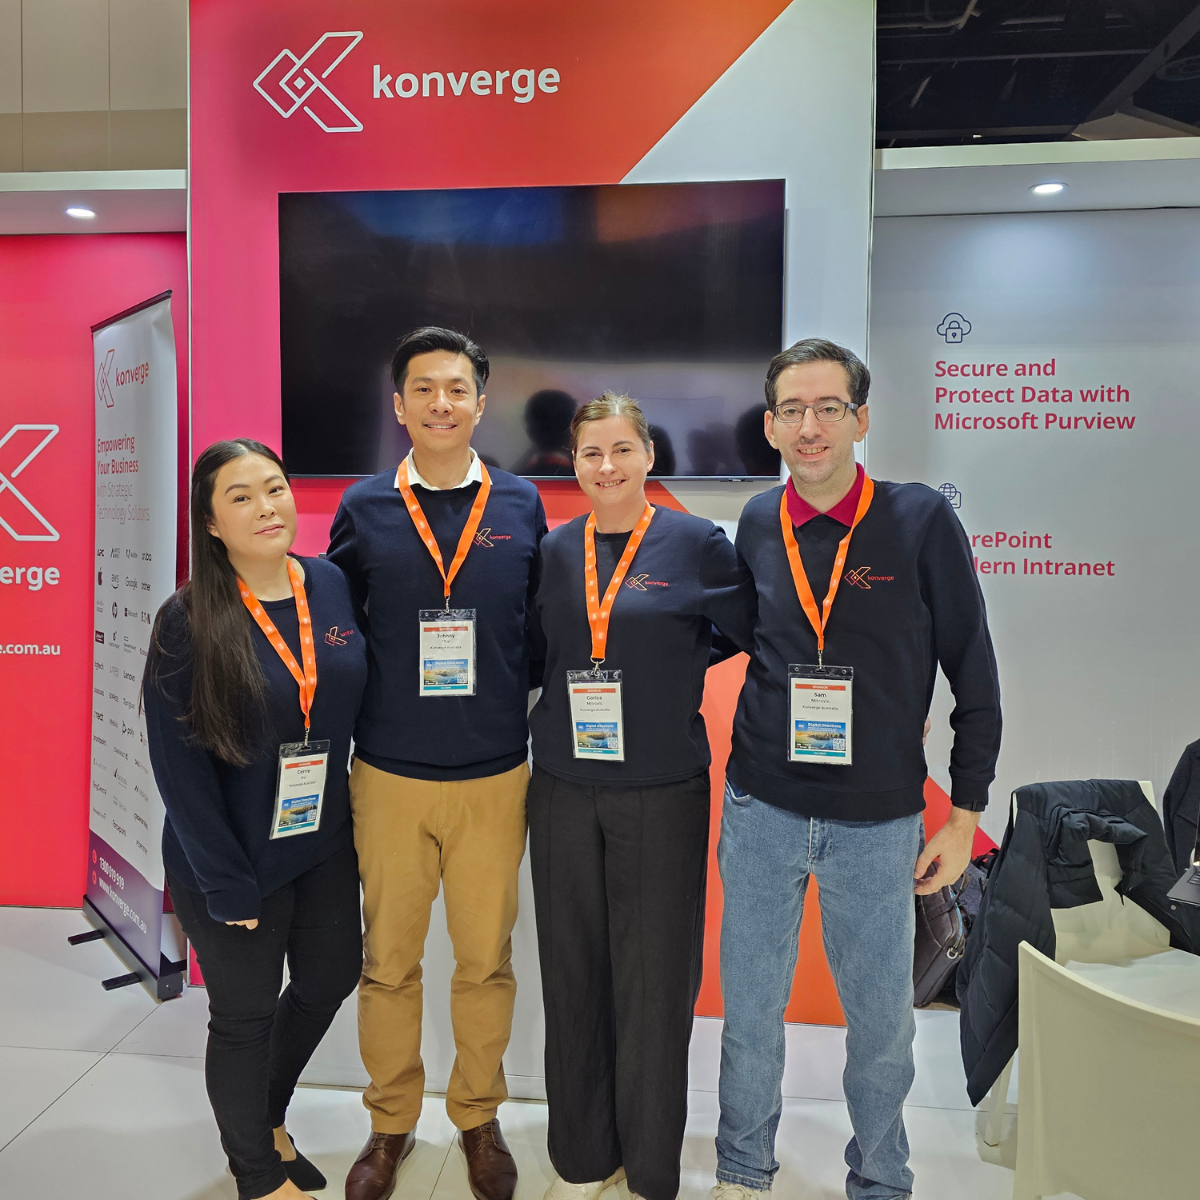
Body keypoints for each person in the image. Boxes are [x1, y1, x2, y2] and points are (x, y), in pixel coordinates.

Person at [712, 339, 1002, 1200]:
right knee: (752, 1018)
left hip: (877, 821)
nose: (810, 426)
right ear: (769, 425)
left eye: (828, 407)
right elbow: (739, 637)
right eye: (792, 410)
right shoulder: (759, 521)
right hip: (760, 807)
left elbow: (972, 669)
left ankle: (881, 1178)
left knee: (880, 1026)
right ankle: (741, 1167)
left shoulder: (917, 520)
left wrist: (962, 814)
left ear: (860, 418)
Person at [328, 327, 547, 1200]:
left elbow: (537, 632)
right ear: (400, 406)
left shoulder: (524, 504)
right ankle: (389, 1127)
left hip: (495, 773)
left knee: (484, 960)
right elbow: (340, 632)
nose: (441, 404)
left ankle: (478, 1117)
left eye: (457, 389)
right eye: (424, 389)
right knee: (388, 960)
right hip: (386, 774)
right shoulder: (364, 507)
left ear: (480, 403)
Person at [527, 393, 756, 1200]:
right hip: (560, 783)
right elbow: (538, 653)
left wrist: (666, 675)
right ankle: (583, 1150)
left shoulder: (698, 545)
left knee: (656, 977)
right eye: (592, 453)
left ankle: (652, 1161)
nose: (607, 467)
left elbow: (741, 630)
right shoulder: (555, 551)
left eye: (622, 449)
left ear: (649, 454)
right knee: (573, 968)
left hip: (661, 787)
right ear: (574, 462)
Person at [143, 439, 367, 1200]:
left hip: (321, 838)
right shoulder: (187, 620)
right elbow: (178, 769)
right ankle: (257, 1175)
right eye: (240, 497)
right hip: (231, 858)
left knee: (331, 978)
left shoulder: (330, 584)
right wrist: (225, 884)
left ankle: (264, 1117)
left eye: (273, 488)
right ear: (211, 523)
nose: (266, 507)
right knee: (242, 1016)